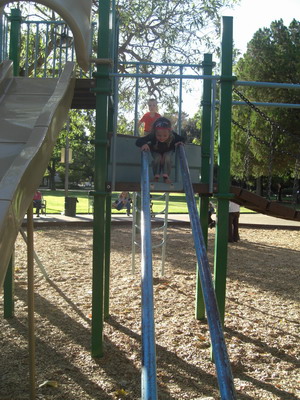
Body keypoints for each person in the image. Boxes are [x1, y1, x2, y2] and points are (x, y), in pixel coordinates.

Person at [135, 117, 185, 184]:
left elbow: (182, 139)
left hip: (168, 150)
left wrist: (181, 142)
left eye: (165, 135)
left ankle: (166, 177)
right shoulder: (152, 136)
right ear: (155, 132)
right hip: (156, 150)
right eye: (159, 135)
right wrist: (144, 144)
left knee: (167, 157)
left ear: (169, 133)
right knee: (157, 158)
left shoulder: (173, 136)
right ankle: (156, 177)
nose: (162, 138)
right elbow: (139, 141)